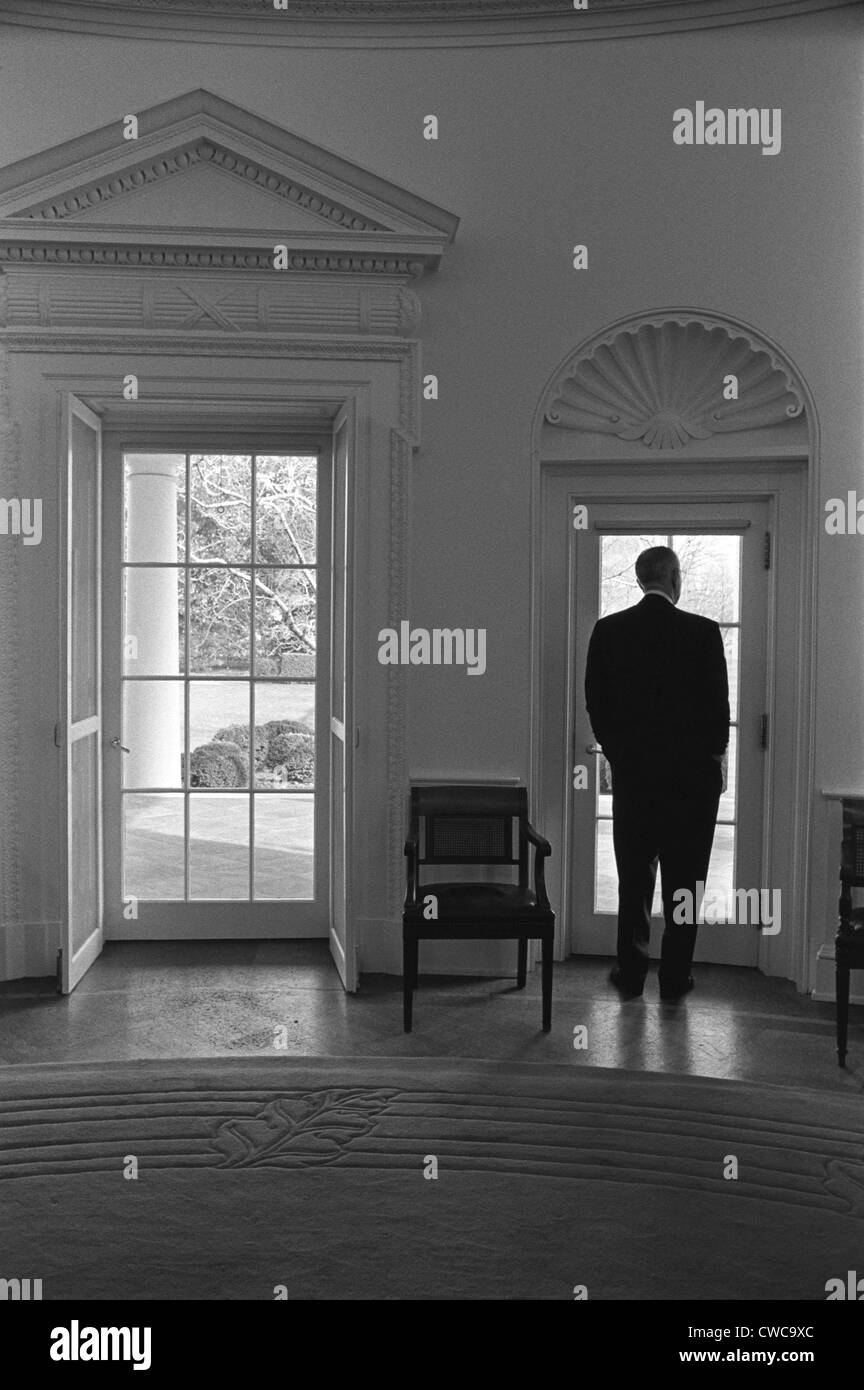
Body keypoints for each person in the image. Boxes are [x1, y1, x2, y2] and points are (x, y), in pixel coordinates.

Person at [584, 546, 729, 1001]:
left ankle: (630, 975)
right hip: (692, 786)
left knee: (634, 880)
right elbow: (717, 711)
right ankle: (674, 978)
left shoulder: (609, 631)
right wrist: (712, 761)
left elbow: (597, 703)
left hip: (635, 781)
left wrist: (619, 755)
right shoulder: (703, 633)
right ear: (675, 579)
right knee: (685, 886)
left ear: (640, 578)